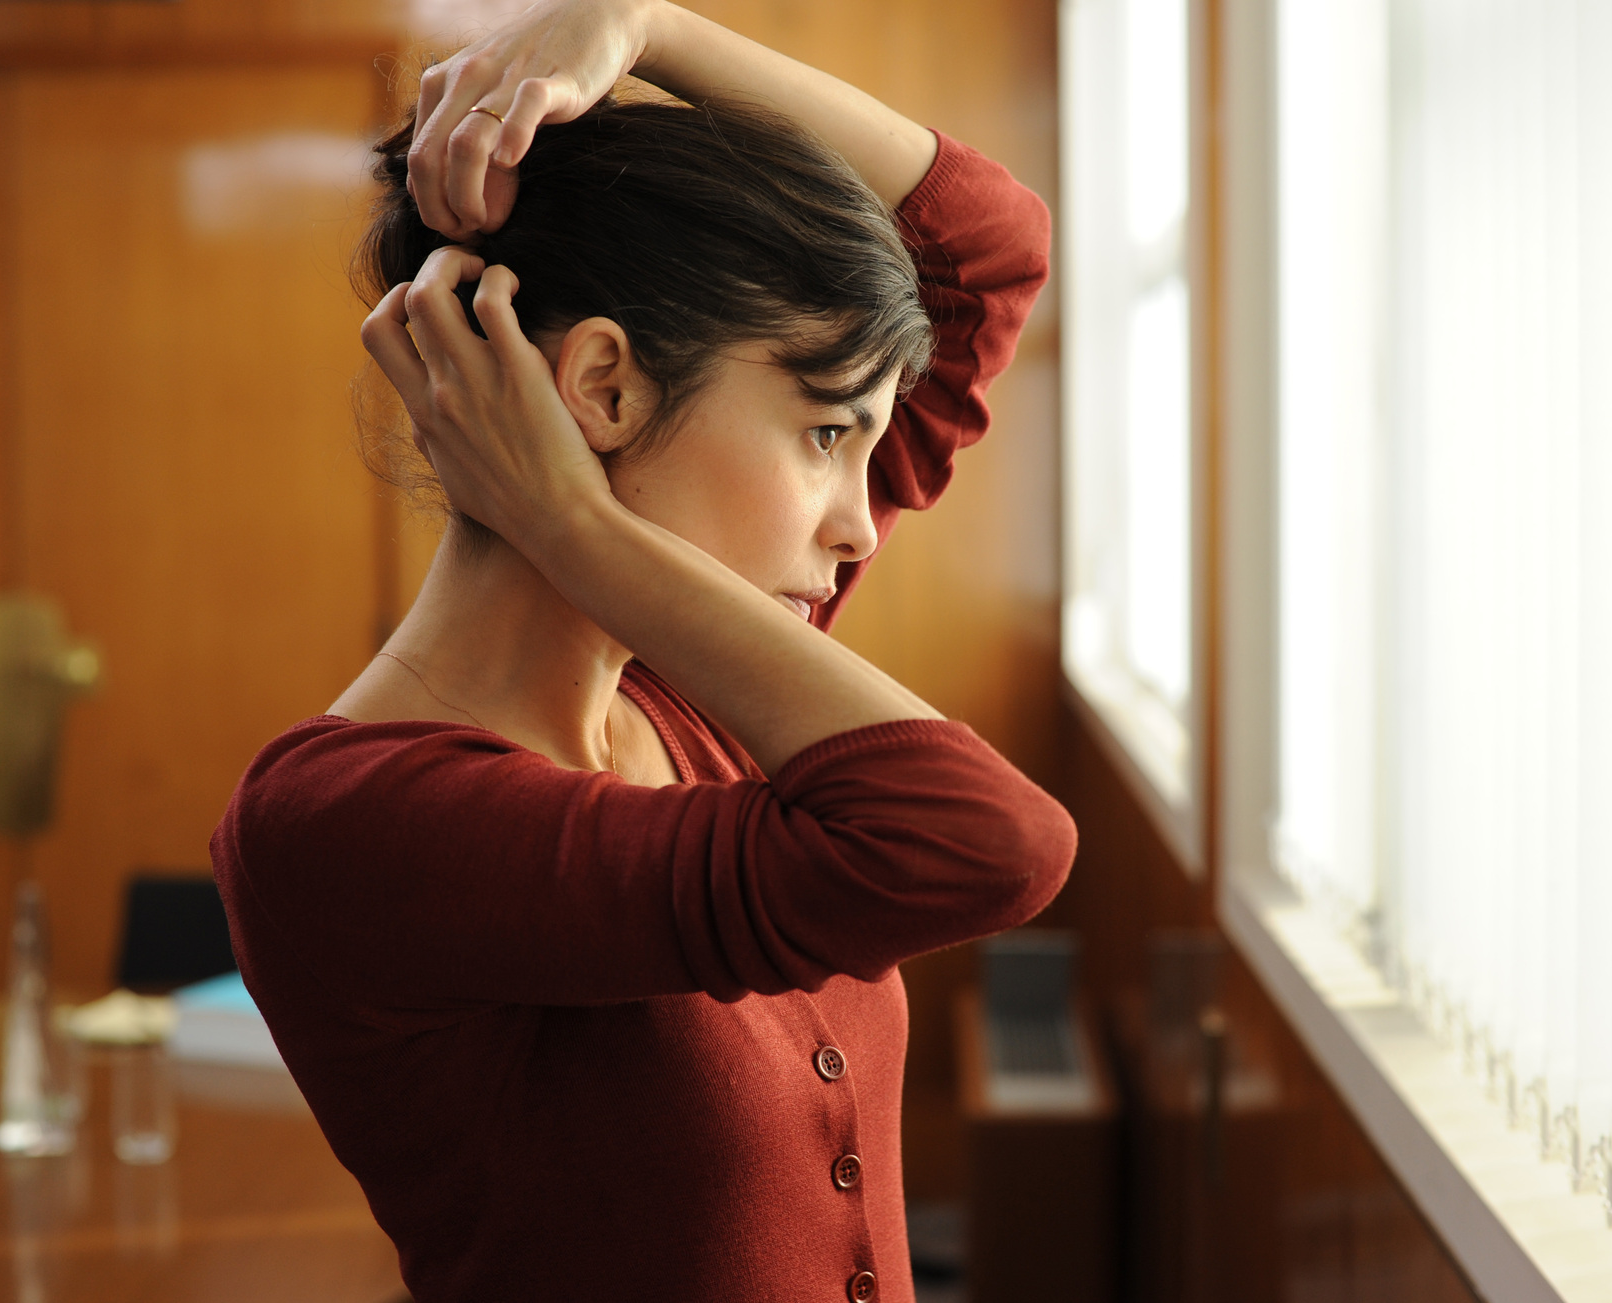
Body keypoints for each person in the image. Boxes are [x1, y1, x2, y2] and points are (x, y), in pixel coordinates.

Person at [209, 2, 1074, 1299]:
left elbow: (983, 247)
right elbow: (984, 843)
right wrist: (564, 519)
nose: (859, 522)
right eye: (827, 435)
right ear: (601, 391)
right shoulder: (340, 826)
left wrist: (638, 23)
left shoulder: (693, 691)